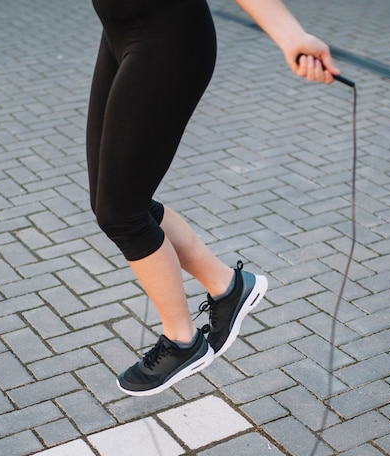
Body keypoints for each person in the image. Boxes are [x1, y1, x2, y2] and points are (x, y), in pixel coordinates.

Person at [87, 0, 339, 396]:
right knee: (117, 201)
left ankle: (183, 342)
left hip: (165, 40)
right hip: (119, 33)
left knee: (120, 212)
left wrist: (290, 34)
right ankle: (229, 287)